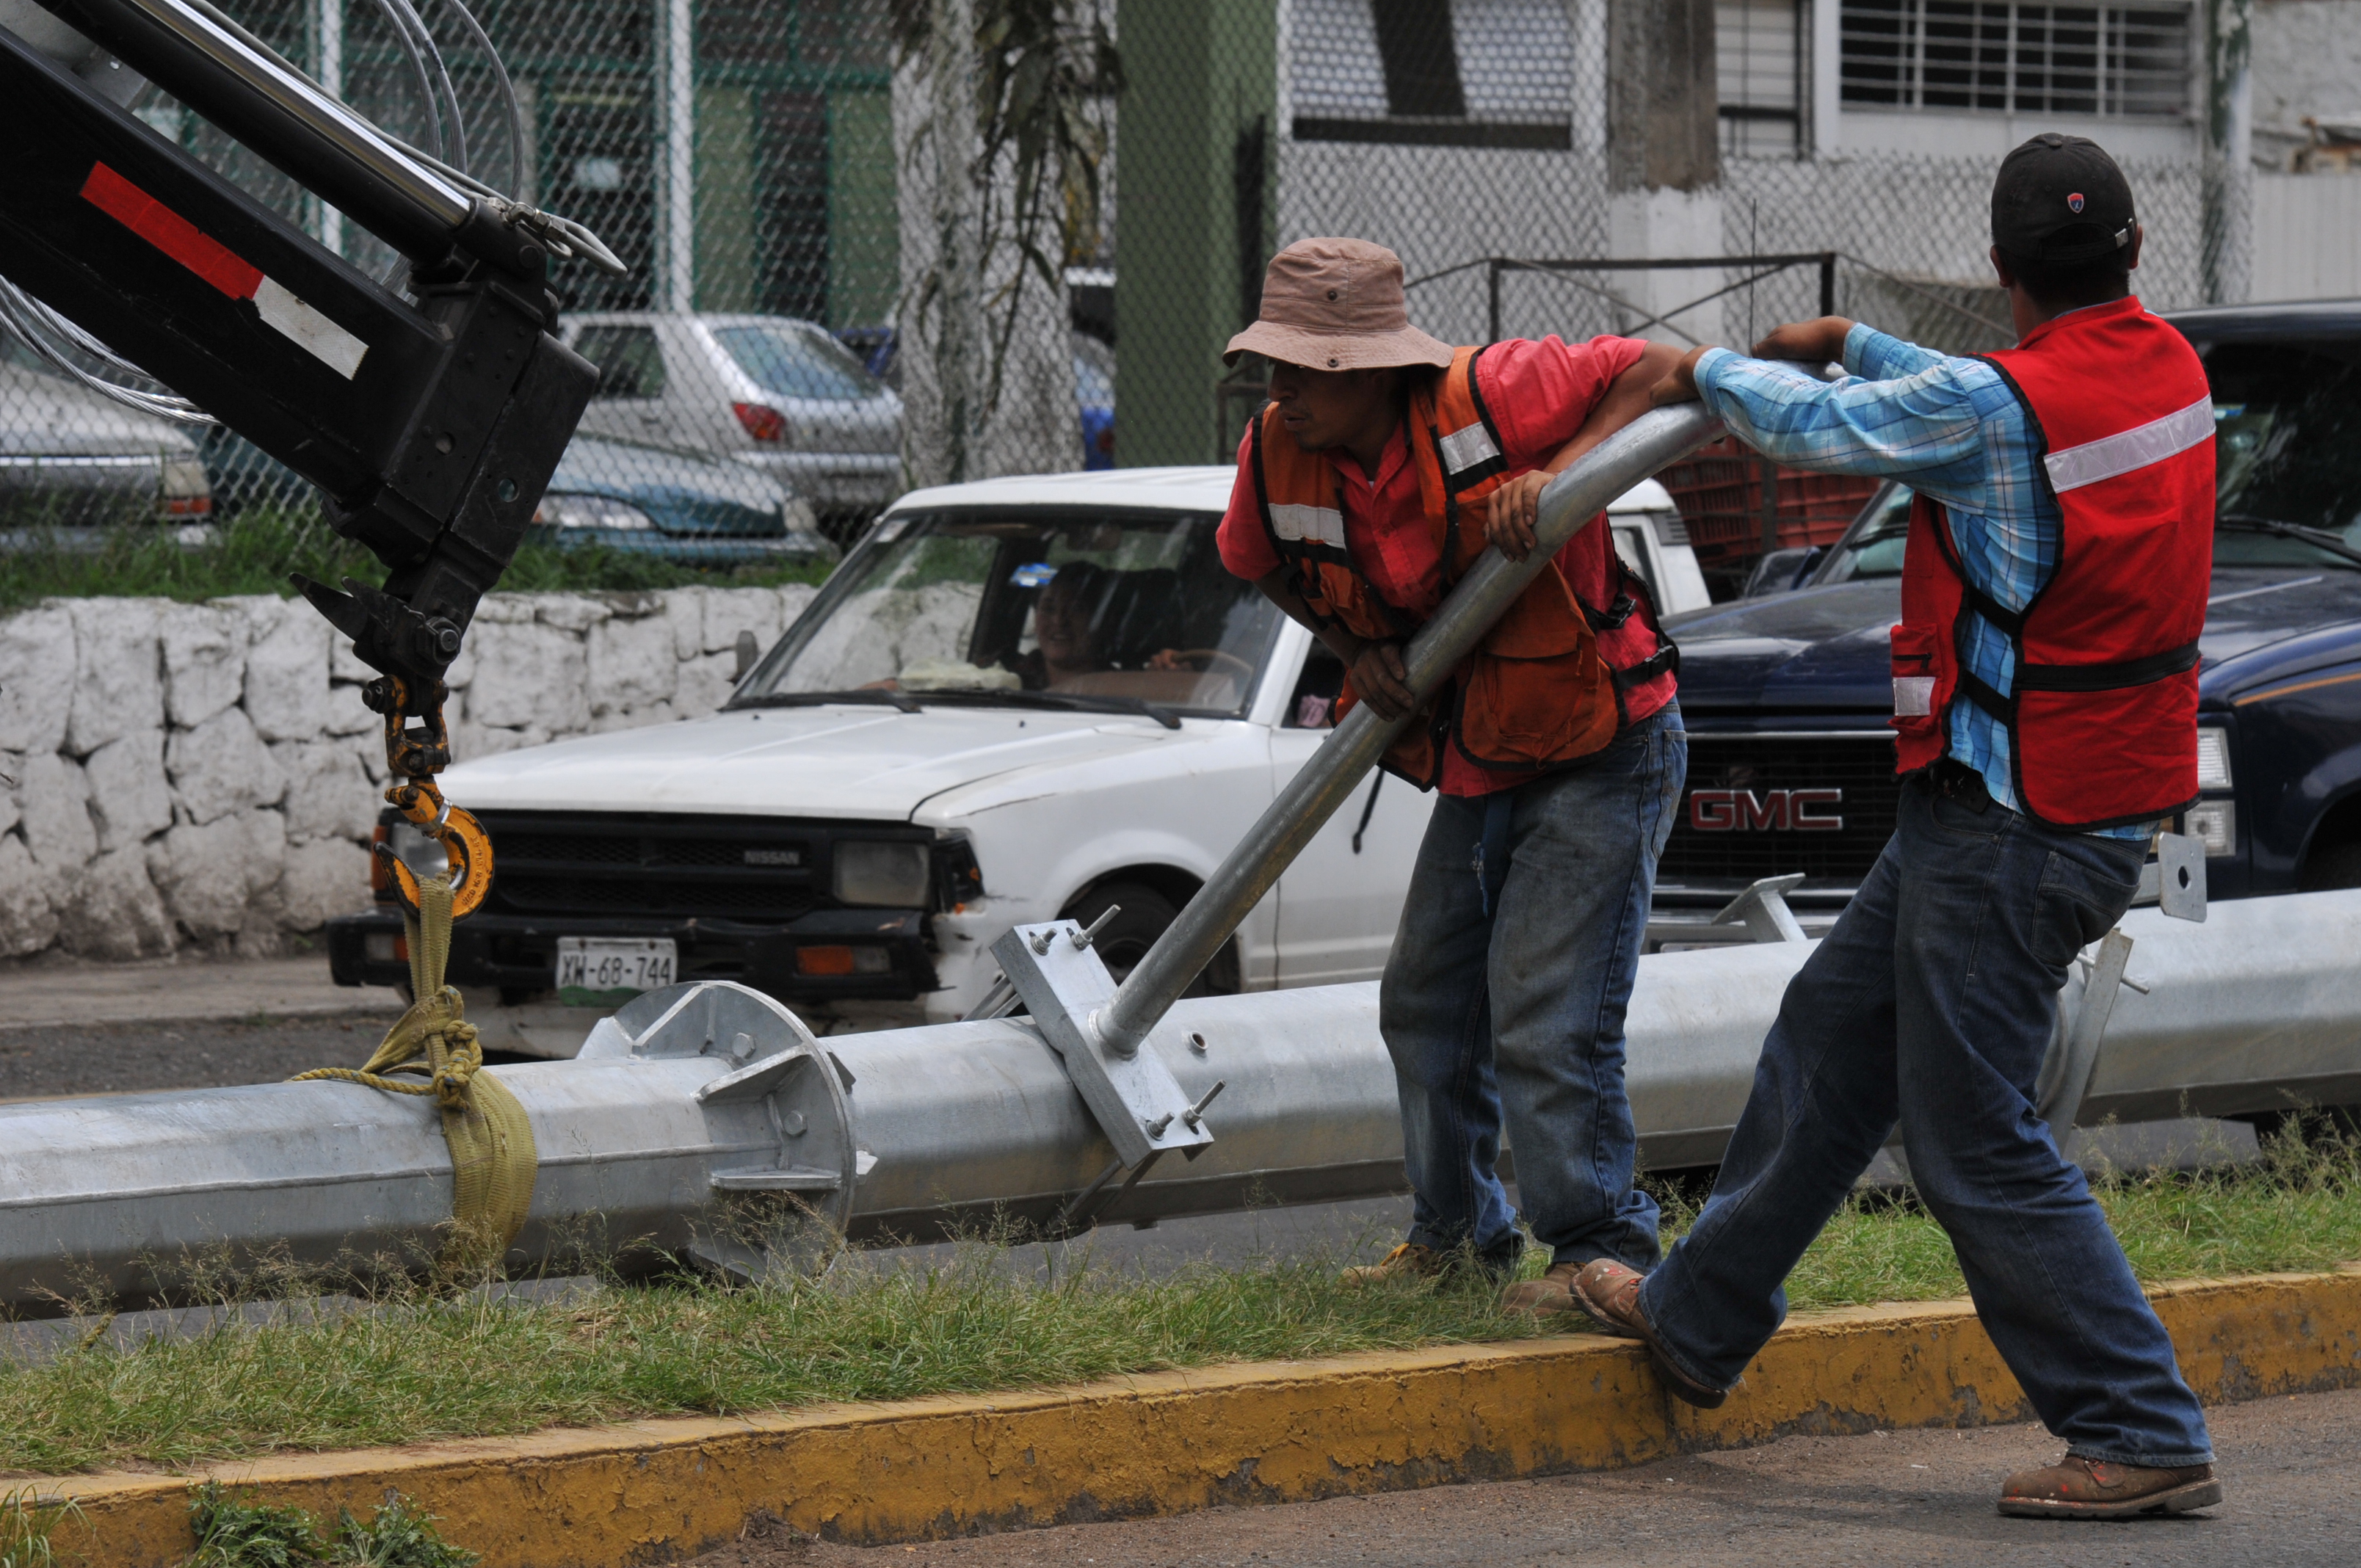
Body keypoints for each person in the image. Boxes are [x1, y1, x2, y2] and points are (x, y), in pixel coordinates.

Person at [1560, 134, 2223, 1521]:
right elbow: (1965, 399)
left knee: (1970, 1134)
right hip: (2074, 793)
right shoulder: (2170, 367)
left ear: (1999, 268)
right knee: (1833, 1036)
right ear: (2136, 258)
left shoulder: (1995, 411)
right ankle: (1700, 1314)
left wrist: (1704, 370)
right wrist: (1859, 338)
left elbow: (1820, 432)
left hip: (2016, 816)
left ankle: (2138, 1423)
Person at [1216, 236, 1686, 1297]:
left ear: (1372, 367)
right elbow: (1255, 561)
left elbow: (1672, 371)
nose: (1280, 389)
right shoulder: (1275, 452)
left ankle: (1599, 1250)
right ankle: (1457, 1243)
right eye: (1273, 364)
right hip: (1485, 748)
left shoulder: (1496, 393)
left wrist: (1563, 476)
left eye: (1304, 367)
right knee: (1425, 998)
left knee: (1543, 1006)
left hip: (1602, 744)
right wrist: (1356, 650)